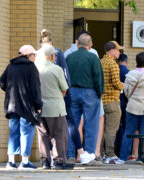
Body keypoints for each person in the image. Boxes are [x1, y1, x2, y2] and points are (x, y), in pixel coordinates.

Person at [36, 29, 95, 165]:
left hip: (40, 98)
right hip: (57, 98)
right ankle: (77, 153)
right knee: (65, 127)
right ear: (51, 43)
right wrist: (66, 93)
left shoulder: (36, 55)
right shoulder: (57, 54)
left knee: (44, 131)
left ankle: (48, 158)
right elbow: (65, 74)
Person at [0, 45, 42, 170]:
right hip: (26, 106)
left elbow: (2, 82)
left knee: (13, 132)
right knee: (26, 132)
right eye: (34, 55)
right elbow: (36, 88)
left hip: (12, 105)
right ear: (28, 56)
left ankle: (11, 162)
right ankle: (24, 162)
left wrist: (11, 92)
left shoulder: (11, 66)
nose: (35, 57)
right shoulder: (31, 67)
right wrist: (38, 105)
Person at [35, 44, 74, 170]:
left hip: (39, 107)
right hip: (56, 108)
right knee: (58, 135)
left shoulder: (35, 69)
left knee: (42, 136)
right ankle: (59, 161)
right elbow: (64, 89)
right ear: (52, 56)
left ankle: (45, 161)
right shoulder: (56, 69)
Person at [66, 33, 104, 160]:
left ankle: (71, 154)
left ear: (77, 43)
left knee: (72, 124)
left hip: (72, 92)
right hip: (90, 93)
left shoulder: (69, 57)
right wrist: (99, 93)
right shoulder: (93, 57)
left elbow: (65, 77)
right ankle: (89, 155)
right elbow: (98, 77)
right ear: (91, 44)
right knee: (91, 125)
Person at [119, 52, 144, 162]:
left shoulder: (130, 74)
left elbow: (126, 92)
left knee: (128, 132)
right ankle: (143, 157)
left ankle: (123, 157)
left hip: (132, 107)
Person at [100, 41, 124, 164]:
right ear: (112, 50)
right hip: (112, 101)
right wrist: (123, 85)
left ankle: (102, 153)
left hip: (101, 101)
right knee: (111, 130)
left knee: (102, 129)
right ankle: (110, 155)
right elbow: (116, 83)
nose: (119, 52)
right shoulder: (113, 64)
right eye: (118, 50)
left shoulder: (100, 62)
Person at [114, 54, 130, 157]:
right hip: (126, 101)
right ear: (126, 61)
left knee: (114, 127)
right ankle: (123, 152)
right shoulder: (129, 73)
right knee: (124, 126)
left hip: (114, 100)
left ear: (118, 61)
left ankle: (114, 150)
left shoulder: (115, 69)